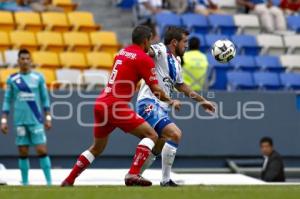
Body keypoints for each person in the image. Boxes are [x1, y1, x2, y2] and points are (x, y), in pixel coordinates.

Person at [61, 25, 181, 187]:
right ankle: (133, 173)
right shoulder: (143, 59)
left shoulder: (121, 53)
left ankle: (69, 180)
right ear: (146, 41)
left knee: (96, 148)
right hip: (116, 106)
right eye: (151, 40)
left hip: (101, 103)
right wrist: (171, 101)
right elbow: (156, 90)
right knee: (152, 136)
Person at [137, 26, 215, 186]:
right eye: (184, 42)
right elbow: (145, 51)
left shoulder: (177, 61)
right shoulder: (160, 50)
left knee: (159, 144)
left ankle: (135, 175)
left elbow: (182, 86)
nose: (186, 45)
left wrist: (202, 101)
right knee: (175, 134)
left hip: (161, 106)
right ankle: (165, 180)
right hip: (148, 102)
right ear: (174, 42)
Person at [1, 49, 52, 186]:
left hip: (36, 120)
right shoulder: (12, 80)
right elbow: (7, 100)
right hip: (20, 121)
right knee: (23, 151)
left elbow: (44, 98)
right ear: (18, 61)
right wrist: (4, 120)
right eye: (22, 59)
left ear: (31, 60)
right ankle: (25, 183)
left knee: (42, 150)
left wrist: (48, 117)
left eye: (27, 58)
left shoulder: (38, 78)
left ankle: (49, 182)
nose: (24, 61)